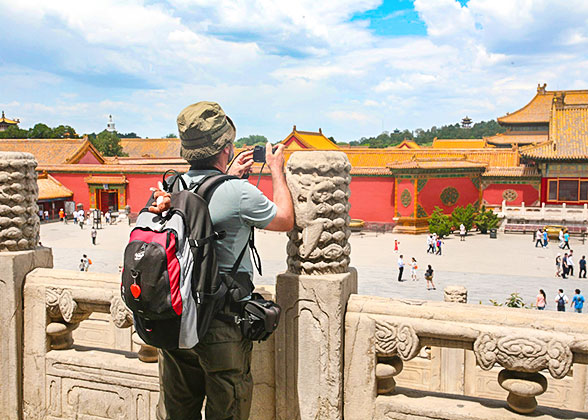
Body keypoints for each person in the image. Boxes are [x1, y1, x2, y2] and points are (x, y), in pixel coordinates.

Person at [150, 101, 294, 420]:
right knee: (227, 408)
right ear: (226, 148)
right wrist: (275, 169)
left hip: (175, 319)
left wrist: (227, 176)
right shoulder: (238, 193)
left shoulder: (170, 188)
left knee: (178, 412)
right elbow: (285, 219)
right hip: (222, 323)